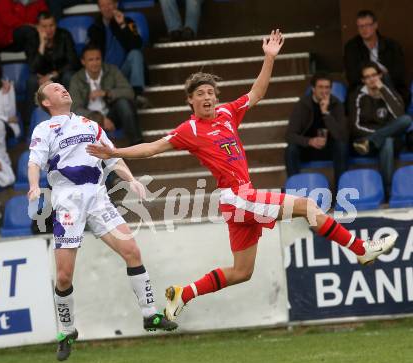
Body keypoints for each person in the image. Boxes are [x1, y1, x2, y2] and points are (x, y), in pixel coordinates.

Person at [87, 30, 397, 322]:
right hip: (237, 197)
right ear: (190, 101)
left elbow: (257, 93)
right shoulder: (189, 129)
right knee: (305, 206)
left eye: (211, 91)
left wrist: (270, 57)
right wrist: (116, 153)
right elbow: (152, 148)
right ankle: (361, 250)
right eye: (201, 93)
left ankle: (184, 293)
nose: (208, 96)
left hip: (239, 201)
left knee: (241, 271)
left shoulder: (226, 113)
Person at [27, 81, 176, 361]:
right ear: (46, 102)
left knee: (132, 251)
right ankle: (67, 330)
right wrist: (34, 185)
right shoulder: (44, 129)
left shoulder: (90, 124)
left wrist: (131, 180)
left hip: (97, 197)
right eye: (56, 89)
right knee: (63, 276)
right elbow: (34, 161)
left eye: (63, 87)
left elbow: (112, 157)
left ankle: (149, 315)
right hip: (68, 201)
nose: (63, 90)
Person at [349, 62, 412, 196]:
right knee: (386, 140)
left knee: (406, 120)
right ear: (363, 80)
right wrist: (381, 135)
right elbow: (355, 127)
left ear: (380, 76)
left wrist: (383, 90)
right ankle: (388, 190)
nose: (372, 79)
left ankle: (373, 140)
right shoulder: (358, 96)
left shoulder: (389, 92)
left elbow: (399, 116)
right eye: (367, 77)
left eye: (374, 75)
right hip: (368, 146)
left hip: (376, 142)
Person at [69, 44, 144, 145]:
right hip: (90, 119)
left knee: (123, 103)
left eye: (97, 59)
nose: (95, 63)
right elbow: (75, 109)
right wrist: (100, 119)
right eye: (91, 60)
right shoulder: (76, 79)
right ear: (83, 62)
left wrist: (107, 93)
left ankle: (137, 143)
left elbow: (129, 92)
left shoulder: (112, 70)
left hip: (112, 115)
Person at [285, 72, 349, 187]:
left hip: (329, 149)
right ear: (313, 88)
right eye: (320, 87)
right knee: (291, 149)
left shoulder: (336, 104)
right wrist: (310, 141)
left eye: (327, 87)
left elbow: (342, 135)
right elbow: (290, 135)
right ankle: (294, 191)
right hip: (309, 149)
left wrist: (326, 113)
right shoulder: (303, 104)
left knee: (341, 146)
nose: (324, 91)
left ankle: (341, 191)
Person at [88, 0, 149, 106]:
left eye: (109, 4)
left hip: (125, 70)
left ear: (116, 5)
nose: (107, 8)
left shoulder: (127, 21)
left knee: (135, 54)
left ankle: (137, 94)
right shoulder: (94, 28)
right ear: (99, 8)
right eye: (103, 5)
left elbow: (138, 45)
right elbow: (91, 55)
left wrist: (122, 25)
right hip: (106, 74)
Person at [344, 9, 410, 106]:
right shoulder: (351, 47)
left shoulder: (392, 45)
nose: (364, 29)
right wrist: (372, 78)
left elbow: (399, 74)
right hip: (364, 90)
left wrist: (381, 77)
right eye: (360, 26)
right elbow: (352, 76)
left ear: (375, 25)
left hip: (391, 87)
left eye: (368, 25)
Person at [25, 11, 80, 118]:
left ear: (56, 25)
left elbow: (73, 62)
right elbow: (32, 67)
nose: (48, 30)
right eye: (44, 26)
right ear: (38, 27)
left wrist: (53, 75)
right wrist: (42, 44)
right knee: (31, 81)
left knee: (69, 76)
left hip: (61, 75)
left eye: (51, 25)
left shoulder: (64, 35)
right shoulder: (32, 40)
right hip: (42, 78)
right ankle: (30, 121)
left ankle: (72, 115)